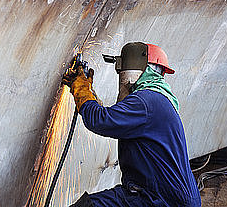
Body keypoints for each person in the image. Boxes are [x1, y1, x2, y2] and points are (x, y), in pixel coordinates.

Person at [64, 42, 201, 207]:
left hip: (162, 199)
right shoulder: (157, 99)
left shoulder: (145, 102)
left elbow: (100, 120)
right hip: (161, 195)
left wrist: (81, 89)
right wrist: (88, 92)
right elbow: (113, 117)